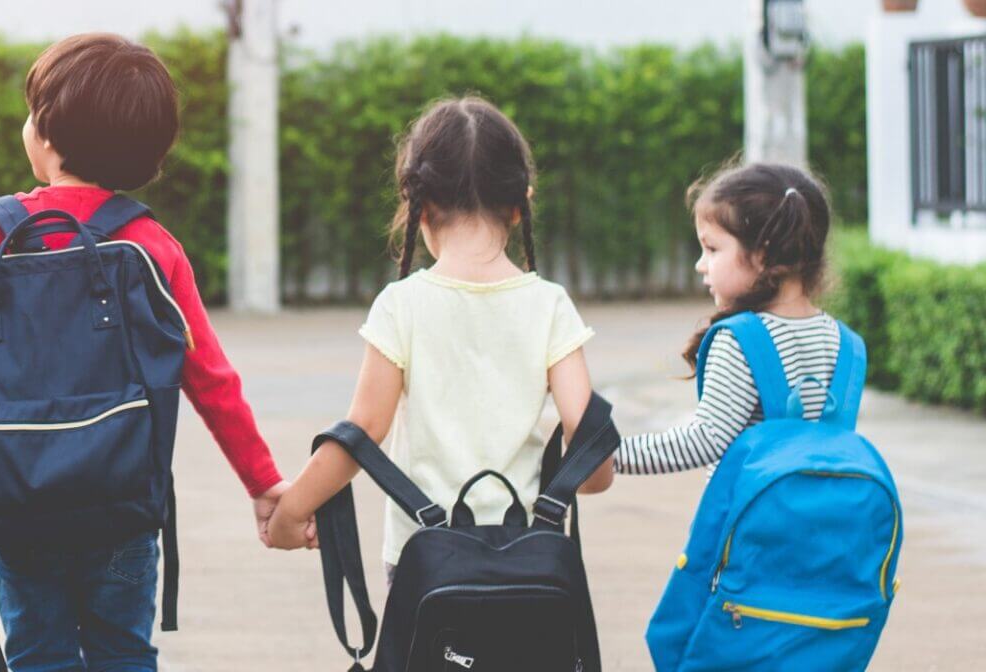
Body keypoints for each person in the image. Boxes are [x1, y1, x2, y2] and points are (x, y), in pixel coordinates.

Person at [0, 33, 286, 670]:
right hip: (120, 503)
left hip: (14, 499)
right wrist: (263, 481)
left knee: (37, 652)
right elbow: (210, 377)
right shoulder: (151, 244)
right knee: (122, 653)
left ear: (49, 138)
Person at [266, 97, 615, 575]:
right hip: (527, 561)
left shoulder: (402, 304)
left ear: (419, 206)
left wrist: (290, 513)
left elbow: (364, 430)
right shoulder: (550, 304)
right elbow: (591, 453)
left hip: (425, 562)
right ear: (519, 206)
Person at [614, 162, 847, 475]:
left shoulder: (743, 340)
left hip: (752, 521)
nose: (700, 264)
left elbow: (706, 439)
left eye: (711, 249)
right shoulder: (840, 338)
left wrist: (610, 455)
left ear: (763, 255)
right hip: (822, 520)